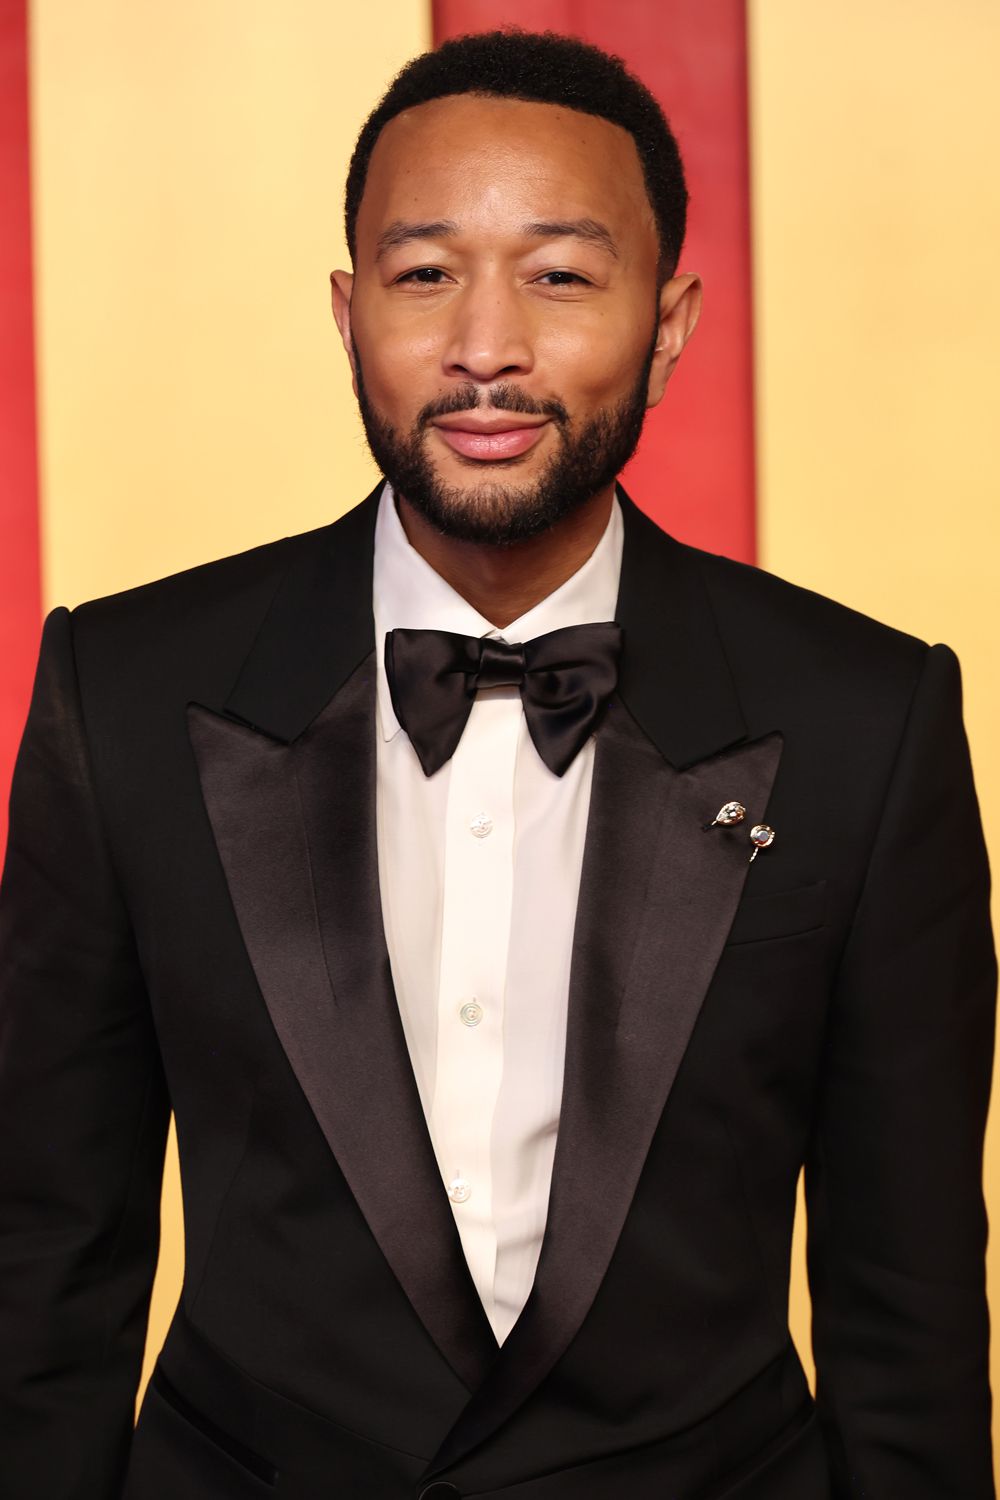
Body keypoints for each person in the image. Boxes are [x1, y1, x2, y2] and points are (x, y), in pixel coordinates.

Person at [0, 28, 994, 1500]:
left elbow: (906, 1311)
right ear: (348, 314)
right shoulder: (127, 688)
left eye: (561, 274)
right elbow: (44, 1266)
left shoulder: (868, 717)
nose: (485, 343)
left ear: (668, 324)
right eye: (422, 274)